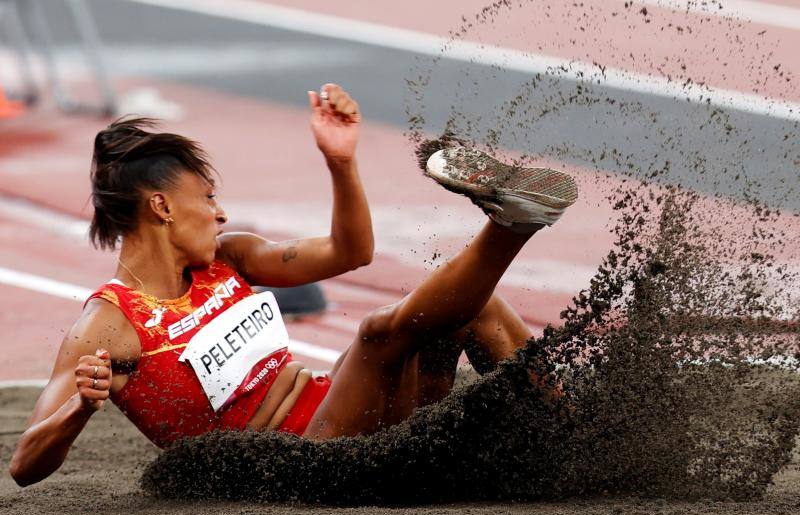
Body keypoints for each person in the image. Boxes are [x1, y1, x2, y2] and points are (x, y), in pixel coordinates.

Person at [9, 84, 577, 487]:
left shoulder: (230, 259)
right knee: (378, 332)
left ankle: (574, 440)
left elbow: (350, 253)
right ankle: (512, 225)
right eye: (207, 198)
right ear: (161, 207)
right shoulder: (110, 324)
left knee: (475, 309)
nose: (220, 213)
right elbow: (25, 465)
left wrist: (340, 162)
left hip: (353, 420)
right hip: (303, 465)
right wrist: (80, 408)